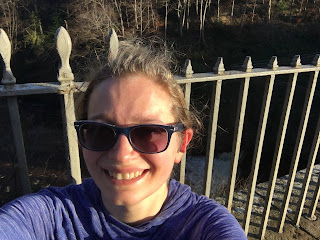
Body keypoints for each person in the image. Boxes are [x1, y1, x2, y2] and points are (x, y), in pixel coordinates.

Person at [0, 32, 247, 239]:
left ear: (181, 144)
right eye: (99, 131)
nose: (121, 154)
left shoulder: (205, 227)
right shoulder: (49, 218)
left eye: (149, 132)